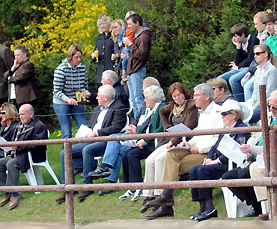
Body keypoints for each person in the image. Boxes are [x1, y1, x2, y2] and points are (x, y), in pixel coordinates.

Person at [143, 83, 223, 219]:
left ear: (207, 96)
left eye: (197, 95)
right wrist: (187, 143)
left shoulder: (218, 112)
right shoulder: (203, 113)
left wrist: (198, 149)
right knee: (171, 153)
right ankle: (165, 198)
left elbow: (217, 140)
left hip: (207, 153)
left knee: (174, 165)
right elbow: (198, 133)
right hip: (195, 148)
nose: (194, 98)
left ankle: (166, 201)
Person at [87, 85, 166, 201]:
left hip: (150, 141)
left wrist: (141, 136)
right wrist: (133, 131)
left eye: (147, 98)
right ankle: (127, 185)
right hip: (136, 136)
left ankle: (134, 185)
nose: (145, 100)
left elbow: (160, 128)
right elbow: (138, 122)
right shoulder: (146, 108)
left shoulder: (161, 108)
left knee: (129, 153)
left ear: (155, 98)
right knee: (118, 144)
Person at [221, 89, 277, 217]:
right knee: (227, 177)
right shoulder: (268, 117)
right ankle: (254, 204)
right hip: (253, 157)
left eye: (275, 107)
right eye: (270, 106)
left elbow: (276, 147)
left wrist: (251, 149)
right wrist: (249, 146)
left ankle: (260, 208)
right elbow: (255, 136)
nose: (271, 109)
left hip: (267, 158)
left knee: (243, 174)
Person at [55, 85, 127, 204]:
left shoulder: (119, 107)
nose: (96, 97)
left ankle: (87, 186)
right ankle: (68, 186)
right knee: (65, 152)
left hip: (106, 141)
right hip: (91, 138)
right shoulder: (97, 109)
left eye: (98, 95)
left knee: (87, 150)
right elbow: (92, 125)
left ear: (105, 97)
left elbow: (117, 127)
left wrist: (97, 133)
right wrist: (85, 132)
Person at [139, 82, 198, 213]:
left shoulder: (191, 106)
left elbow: (189, 126)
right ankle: (148, 195)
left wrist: (173, 140)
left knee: (160, 160)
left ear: (184, 93)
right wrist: (167, 128)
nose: (177, 98)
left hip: (184, 141)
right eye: (174, 96)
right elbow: (161, 111)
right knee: (150, 160)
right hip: (171, 140)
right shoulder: (172, 106)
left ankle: (161, 195)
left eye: (179, 95)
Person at [189, 100, 251, 221]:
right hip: (220, 163)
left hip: (231, 164)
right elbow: (215, 147)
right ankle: (202, 207)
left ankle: (209, 207)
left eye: (224, 114)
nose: (222, 116)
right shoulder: (225, 129)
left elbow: (236, 152)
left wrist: (216, 161)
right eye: (221, 114)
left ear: (234, 114)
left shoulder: (242, 128)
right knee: (194, 170)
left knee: (202, 170)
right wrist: (208, 158)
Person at [0, 104, 48, 210]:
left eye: (23, 114)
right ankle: (8, 192)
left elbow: (37, 144)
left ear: (31, 114)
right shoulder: (20, 125)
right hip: (17, 153)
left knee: (11, 163)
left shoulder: (39, 126)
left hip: (30, 155)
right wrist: (9, 147)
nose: (20, 117)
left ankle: (15, 195)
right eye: (20, 114)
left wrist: (19, 147)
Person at [53, 44, 89, 139]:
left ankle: (83, 151)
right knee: (66, 131)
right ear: (70, 57)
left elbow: (84, 86)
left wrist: (85, 94)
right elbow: (57, 91)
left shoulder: (83, 68)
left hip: (77, 101)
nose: (79, 59)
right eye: (76, 57)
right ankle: (65, 153)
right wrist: (68, 100)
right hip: (61, 101)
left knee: (84, 127)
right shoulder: (61, 69)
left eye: (80, 57)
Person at [217, 23, 259, 102]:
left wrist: (238, 67)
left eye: (235, 36)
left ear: (242, 35)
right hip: (242, 68)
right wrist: (238, 48)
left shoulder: (253, 40)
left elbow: (251, 59)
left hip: (251, 67)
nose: (234, 39)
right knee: (219, 80)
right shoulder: (241, 44)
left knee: (233, 79)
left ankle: (239, 102)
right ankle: (226, 101)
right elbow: (237, 61)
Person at [124, 13, 152, 120]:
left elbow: (142, 55)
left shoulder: (144, 36)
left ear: (137, 23)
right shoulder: (137, 36)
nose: (129, 27)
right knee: (133, 100)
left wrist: (130, 44)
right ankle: (136, 123)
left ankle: (141, 122)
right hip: (132, 72)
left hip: (137, 70)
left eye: (130, 24)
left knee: (139, 98)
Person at [245, 44, 277, 124]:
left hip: (266, 106)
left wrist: (255, 106)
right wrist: (250, 105)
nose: (255, 56)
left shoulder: (272, 70)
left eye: (258, 53)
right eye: (254, 54)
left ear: (265, 54)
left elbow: (269, 93)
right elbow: (255, 91)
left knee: (245, 118)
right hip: (256, 104)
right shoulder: (257, 70)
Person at [92, 13, 115, 85]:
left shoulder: (114, 36)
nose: (102, 26)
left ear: (109, 23)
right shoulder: (99, 38)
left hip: (112, 70)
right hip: (101, 71)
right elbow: (96, 50)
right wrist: (94, 55)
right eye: (100, 24)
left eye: (104, 23)